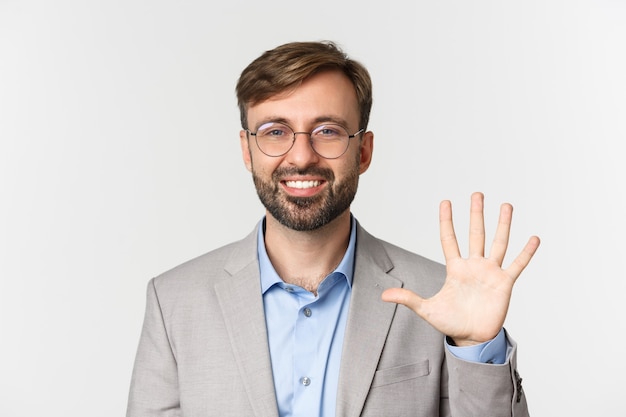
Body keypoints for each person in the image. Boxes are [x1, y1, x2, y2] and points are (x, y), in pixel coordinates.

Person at [126, 41, 540, 417]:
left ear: (363, 151)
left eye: (327, 131)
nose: (302, 156)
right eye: (275, 132)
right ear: (247, 150)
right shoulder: (174, 302)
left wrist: (476, 350)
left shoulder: (437, 297)